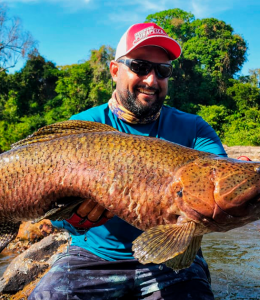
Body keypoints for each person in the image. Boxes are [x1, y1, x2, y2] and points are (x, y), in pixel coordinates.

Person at [29, 22, 227, 300]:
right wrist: (72, 221)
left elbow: (221, 179)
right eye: (140, 66)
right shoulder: (82, 126)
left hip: (173, 260)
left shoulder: (194, 128)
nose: (151, 80)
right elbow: (48, 209)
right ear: (114, 70)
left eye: (162, 70)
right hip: (92, 256)